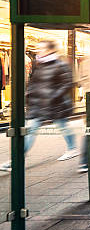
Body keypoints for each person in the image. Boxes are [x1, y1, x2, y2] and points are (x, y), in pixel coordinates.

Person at [0, 40, 78, 172]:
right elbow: (33, 82)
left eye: (41, 48)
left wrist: (53, 96)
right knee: (30, 132)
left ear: (50, 50)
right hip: (38, 105)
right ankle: (16, 160)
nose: (38, 51)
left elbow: (67, 83)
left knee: (64, 127)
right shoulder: (39, 64)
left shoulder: (60, 65)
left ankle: (72, 148)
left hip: (56, 105)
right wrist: (28, 94)